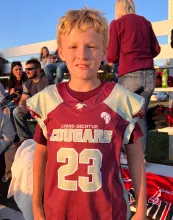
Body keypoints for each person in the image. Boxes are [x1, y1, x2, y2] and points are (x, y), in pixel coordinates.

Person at [27, 8, 146, 220]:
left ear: (104, 52)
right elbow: (40, 156)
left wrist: (142, 209)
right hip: (58, 211)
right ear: (61, 52)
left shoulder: (119, 100)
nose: (82, 55)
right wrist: (36, 206)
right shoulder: (48, 100)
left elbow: (136, 157)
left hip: (108, 211)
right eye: (73, 46)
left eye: (91, 46)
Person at [107, 0, 160, 161]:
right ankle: (140, 158)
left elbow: (111, 56)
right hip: (149, 75)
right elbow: (156, 49)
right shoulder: (145, 22)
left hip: (130, 74)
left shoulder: (117, 23)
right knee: (140, 117)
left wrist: (113, 60)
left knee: (120, 115)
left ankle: (122, 154)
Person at [13, 59, 54, 142]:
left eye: (30, 69)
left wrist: (30, 106)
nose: (26, 72)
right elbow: (23, 99)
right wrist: (22, 106)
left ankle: (45, 140)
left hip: (47, 109)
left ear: (38, 70)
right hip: (34, 108)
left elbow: (46, 101)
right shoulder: (28, 83)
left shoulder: (47, 80)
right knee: (17, 111)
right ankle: (25, 140)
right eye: (26, 69)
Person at [2, 61, 27, 127]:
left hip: (24, 103)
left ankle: (13, 132)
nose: (19, 71)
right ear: (12, 71)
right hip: (14, 102)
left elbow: (30, 95)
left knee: (8, 110)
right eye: (16, 69)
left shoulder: (26, 80)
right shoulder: (12, 81)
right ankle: (9, 131)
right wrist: (11, 92)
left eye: (20, 69)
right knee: (2, 109)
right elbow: (11, 96)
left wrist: (20, 96)